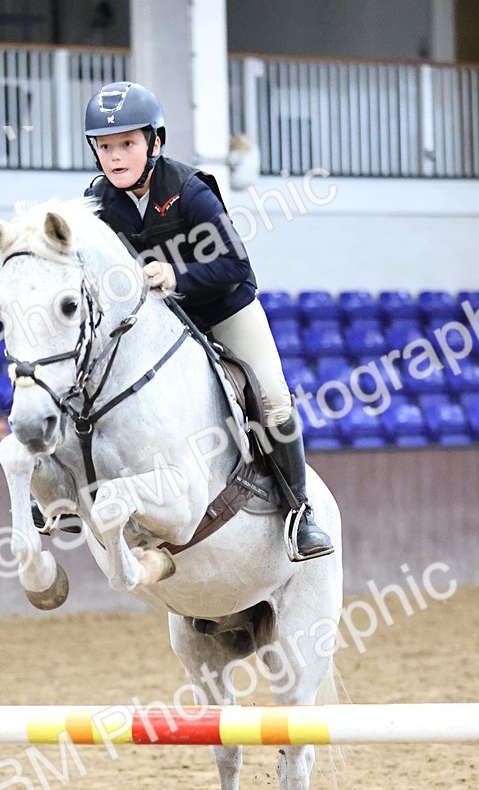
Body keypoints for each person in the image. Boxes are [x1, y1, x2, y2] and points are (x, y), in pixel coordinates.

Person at [83, 81, 333, 560]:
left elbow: (238, 267)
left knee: (274, 398)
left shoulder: (189, 190)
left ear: (154, 142)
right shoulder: (100, 203)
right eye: (106, 146)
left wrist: (176, 275)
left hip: (223, 308)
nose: (116, 157)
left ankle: (301, 514)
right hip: (161, 323)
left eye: (127, 144)